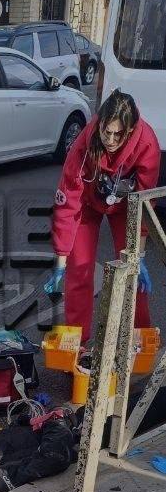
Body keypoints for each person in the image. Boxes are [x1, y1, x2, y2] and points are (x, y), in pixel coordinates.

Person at [45, 89, 161, 343]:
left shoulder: (147, 144)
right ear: (99, 124)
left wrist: (139, 256)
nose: (110, 139)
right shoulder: (84, 145)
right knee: (79, 270)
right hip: (88, 204)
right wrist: (60, 261)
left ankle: (139, 338)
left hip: (127, 207)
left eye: (117, 134)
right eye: (106, 131)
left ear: (130, 130)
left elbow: (144, 205)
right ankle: (77, 342)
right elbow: (67, 204)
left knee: (132, 273)